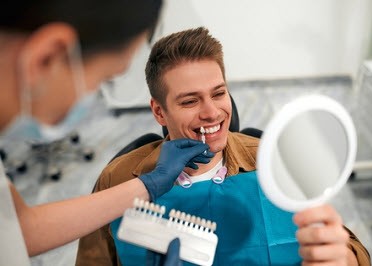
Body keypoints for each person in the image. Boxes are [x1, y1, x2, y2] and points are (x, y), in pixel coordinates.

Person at [76, 27, 371, 265]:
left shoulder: (275, 162)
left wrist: (341, 257)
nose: (212, 113)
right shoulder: (118, 180)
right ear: (159, 111)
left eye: (219, 93)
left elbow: (352, 252)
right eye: (190, 101)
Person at [0, 2, 213, 265]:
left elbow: (18, 228)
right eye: (105, 78)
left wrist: (148, 185)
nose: (211, 112)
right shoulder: (116, 173)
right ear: (45, 59)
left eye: (219, 92)